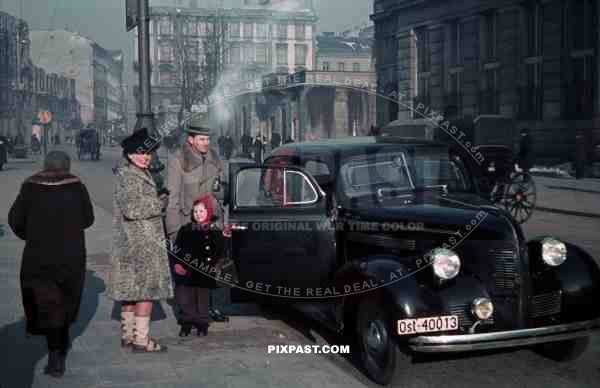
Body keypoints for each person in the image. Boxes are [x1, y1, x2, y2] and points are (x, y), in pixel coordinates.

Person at [8, 151, 94, 378]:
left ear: (45, 165)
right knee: (65, 301)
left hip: (39, 257)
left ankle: (54, 350)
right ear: (67, 166)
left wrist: (32, 236)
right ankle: (58, 349)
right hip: (71, 257)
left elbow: (15, 220)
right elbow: (89, 219)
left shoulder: (30, 187)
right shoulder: (77, 187)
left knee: (46, 302)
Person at [107, 128, 173, 353]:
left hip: (130, 242)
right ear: (129, 154)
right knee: (146, 292)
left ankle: (128, 335)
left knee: (130, 291)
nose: (146, 157)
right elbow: (132, 209)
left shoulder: (130, 172)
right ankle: (142, 340)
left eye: (149, 153)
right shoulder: (131, 176)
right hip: (141, 244)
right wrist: (159, 203)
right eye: (141, 153)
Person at [166, 115, 229, 322]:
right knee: (187, 272)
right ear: (190, 140)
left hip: (210, 225)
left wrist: (222, 195)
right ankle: (188, 313)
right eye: (202, 139)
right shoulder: (178, 161)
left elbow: (220, 193)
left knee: (210, 268)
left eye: (208, 139)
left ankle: (209, 308)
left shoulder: (214, 158)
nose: (206, 143)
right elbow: (172, 199)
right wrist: (174, 232)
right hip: (187, 225)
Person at [169, 194, 231, 336]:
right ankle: (187, 323)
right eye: (195, 211)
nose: (198, 214)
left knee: (202, 299)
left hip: (204, 271)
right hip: (186, 271)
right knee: (185, 298)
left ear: (208, 212)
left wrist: (225, 238)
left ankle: (202, 323)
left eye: (201, 211)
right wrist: (177, 264)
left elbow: (220, 250)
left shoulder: (214, 230)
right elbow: (177, 248)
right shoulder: (186, 230)